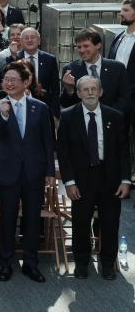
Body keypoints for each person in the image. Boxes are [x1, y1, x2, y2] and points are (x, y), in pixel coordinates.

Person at [56, 76, 131, 281]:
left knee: (110, 222)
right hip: (81, 179)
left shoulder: (114, 116)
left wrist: (126, 180)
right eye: (85, 89)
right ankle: (81, 263)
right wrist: (69, 182)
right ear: (78, 93)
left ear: (100, 92)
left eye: (94, 89)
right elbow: (63, 152)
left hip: (110, 178)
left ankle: (108, 263)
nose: (90, 93)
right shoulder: (68, 116)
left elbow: (124, 150)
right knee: (80, 222)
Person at [0, 61, 54, 283]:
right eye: (5, 79)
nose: (8, 83)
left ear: (25, 82)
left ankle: (30, 263)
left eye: (13, 79)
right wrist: (5, 116)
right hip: (8, 170)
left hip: (34, 171)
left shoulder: (40, 106)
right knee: (7, 219)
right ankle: (5, 263)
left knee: (32, 219)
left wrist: (50, 172)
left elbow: (48, 141)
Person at [60, 27, 131, 117]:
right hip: (82, 123)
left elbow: (124, 98)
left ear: (98, 45)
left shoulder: (117, 68)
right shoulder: (70, 69)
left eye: (86, 46)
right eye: (79, 47)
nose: (82, 50)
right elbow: (66, 104)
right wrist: (69, 89)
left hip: (112, 123)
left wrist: (109, 116)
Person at [9, 28, 60, 119]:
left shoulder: (49, 59)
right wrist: (13, 57)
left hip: (44, 107)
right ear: (21, 41)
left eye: (33, 37)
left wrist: (55, 114)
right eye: (26, 38)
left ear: (39, 41)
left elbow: (55, 89)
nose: (29, 40)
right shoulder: (15, 57)